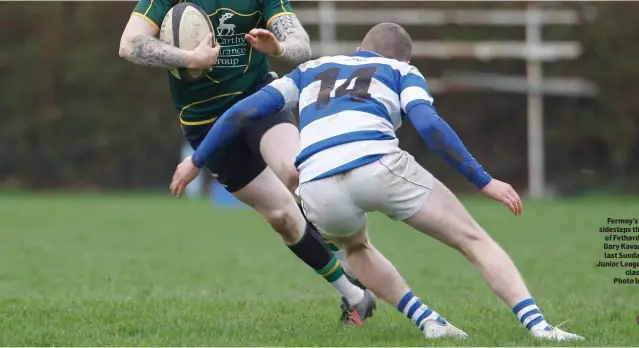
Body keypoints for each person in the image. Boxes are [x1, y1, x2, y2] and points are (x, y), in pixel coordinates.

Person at [170, 22, 586, 341]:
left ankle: (429, 322)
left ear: (358, 50)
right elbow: (430, 125)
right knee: (473, 240)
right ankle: (540, 328)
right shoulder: (400, 70)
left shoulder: (311, 69)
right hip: (378, 165)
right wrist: (484, 181)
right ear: (405, 59)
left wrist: (196, 163)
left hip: (315, 183)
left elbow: (242, 113)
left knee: (355, 248)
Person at [118, 0, 375, 325]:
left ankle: (360, 258)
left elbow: (301, 45)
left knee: (294, 173)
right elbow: (129, 44)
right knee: (282, 217)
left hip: (257, 100)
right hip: (204, 122)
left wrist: (278, 46)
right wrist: (189, 58)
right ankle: (355, 295)